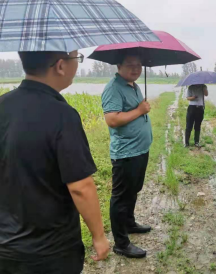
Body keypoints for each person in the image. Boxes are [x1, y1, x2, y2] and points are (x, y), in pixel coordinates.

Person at [0, 51, 109, 274]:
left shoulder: (2, 105)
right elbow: (80, 187)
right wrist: (98, 236)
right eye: (76, 58)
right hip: (50, 253)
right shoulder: (63, 115)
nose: (77, 65)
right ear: (60, 66)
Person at [101, 53, 152, 259]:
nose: (136, 69)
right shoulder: (113, 88)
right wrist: (140, 110)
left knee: (134, 190)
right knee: (121, 197)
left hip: (140, 150)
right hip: (126, 154)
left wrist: (141, 109)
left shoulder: (134, 85)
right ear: (119, 66)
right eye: (130, 65)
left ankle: (129, 223)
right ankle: (121, 243)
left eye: (139, 65)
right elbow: (112, 119)